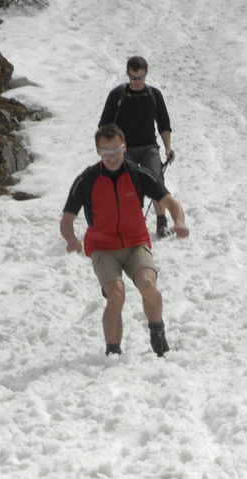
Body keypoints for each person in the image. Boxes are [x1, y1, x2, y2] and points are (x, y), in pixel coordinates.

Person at [60, 124, 189, 357]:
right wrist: (71, 238)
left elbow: (171, 203)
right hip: (102, 247)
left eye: (117, 151)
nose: (112, 157)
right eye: (106, 152)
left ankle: (157, 332)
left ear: (124, 147)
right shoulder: (87, 179)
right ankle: (113, 351)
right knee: (116, 294)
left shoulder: (138, 173)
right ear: (98, 151)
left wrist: (178, 221)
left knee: (148, 284)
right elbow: (67, 219)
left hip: (136, 243)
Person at [97, 56, 175, 239]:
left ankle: (161, 222)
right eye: (133, 78)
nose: (137, 82)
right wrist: (110, 148)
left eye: (140, 78)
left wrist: (168, 148)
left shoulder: (154, 95)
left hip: (149, 147)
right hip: (124, 149)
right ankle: (130, 222)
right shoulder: (117, 95)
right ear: (127, 74)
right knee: (127, 184)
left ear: (146, 73)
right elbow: (104, 125)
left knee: (156, 180)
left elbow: (164, 124)